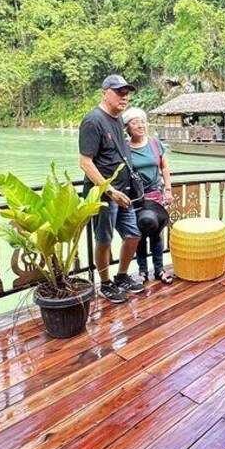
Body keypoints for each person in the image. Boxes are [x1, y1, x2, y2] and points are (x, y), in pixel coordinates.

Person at [78, 74, 144, 304]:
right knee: (104, 239)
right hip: (105, 194)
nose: (124, 97)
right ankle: (105, 283)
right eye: (119, 92)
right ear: (104, 93)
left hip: (123, 191)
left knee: (133, 234)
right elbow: (85, 163)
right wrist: (109, 191)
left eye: (126, 93)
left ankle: (121, 276)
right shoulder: (93, 121)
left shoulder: (117, 119)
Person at [123, 107, 175, 285]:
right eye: (135, 122)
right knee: (139, 233)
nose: (140, 125)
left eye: (142, 121)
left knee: (156, 233)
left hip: (156, 196)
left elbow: (164, 167)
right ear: (127, 127)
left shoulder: (154, 143)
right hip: (137, 199)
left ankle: (159, 269)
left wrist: (168, 189)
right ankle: (143, 271)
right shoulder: (125, 149)